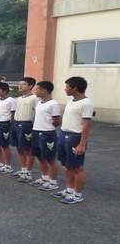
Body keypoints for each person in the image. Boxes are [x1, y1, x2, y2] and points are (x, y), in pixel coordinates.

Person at [51, 76, 94, 204]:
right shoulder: (71, 102)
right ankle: (70, 190)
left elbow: (86, 125)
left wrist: (82, 144)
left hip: (75, 138)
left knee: (77, 167)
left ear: (75, 88)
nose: (65, 89)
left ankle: (78, 194)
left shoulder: (86, 103)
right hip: (64, 135)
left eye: (67, 87)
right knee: (66, 165)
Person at [29, 81, 61, 190]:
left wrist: (48, 127)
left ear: (43, 91)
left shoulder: (53, 104)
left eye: (36, 89)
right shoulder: (39, 102)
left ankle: (53, 182)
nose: (34, 91)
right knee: (40, 156)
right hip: (36, 132)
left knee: (50, 159)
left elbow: (57, 121)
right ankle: (45, 178)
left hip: (47, 134)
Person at [9, 77, 39, 182]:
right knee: (19, 148)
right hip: (17, 124)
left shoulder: (34, 99)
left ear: (31, 86)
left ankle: (28, 173)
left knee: (28, 149)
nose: (20, 86)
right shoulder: (19, 99)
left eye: (23, 84)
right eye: (19, 84)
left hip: (27, 125)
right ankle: (23, 169)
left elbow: (38, 114)